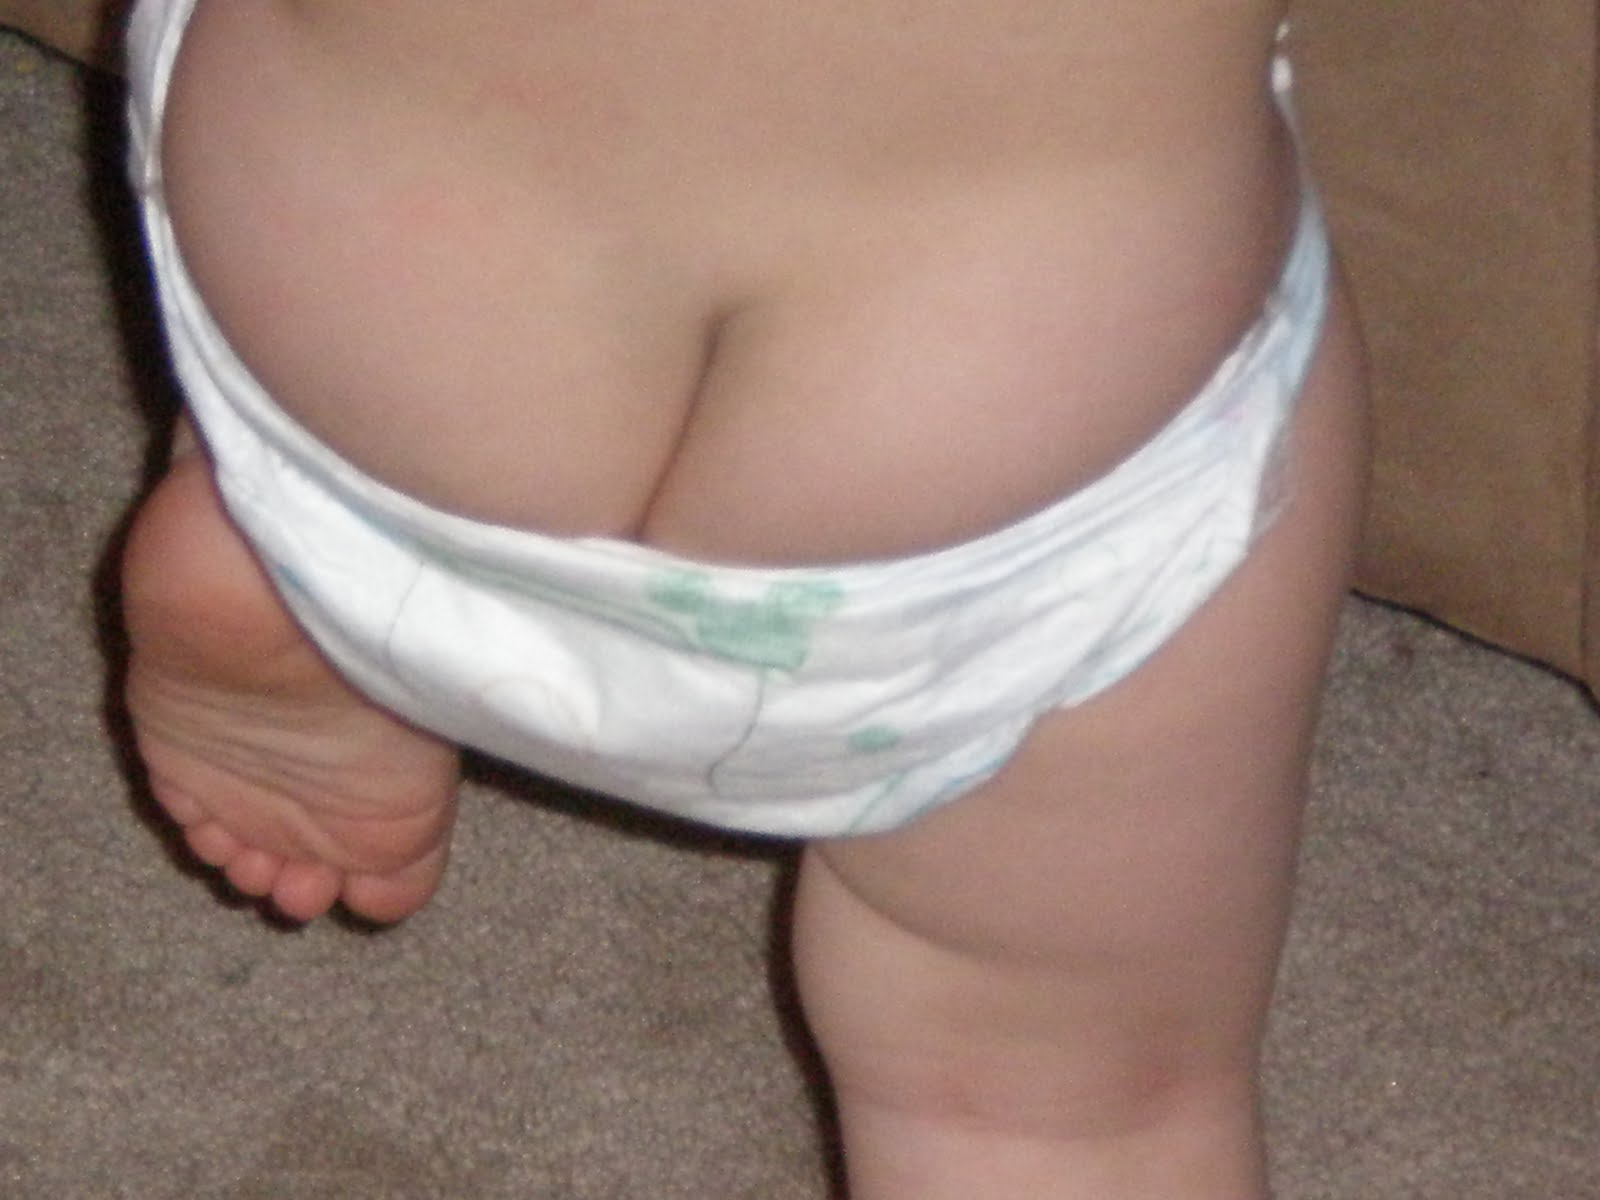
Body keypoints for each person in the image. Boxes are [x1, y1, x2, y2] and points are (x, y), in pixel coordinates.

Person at [118, 1, 1369, 1196]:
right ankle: (316, 565)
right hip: (995, 455)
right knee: (1050, 1112)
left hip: (363, 330)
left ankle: (307, 555)